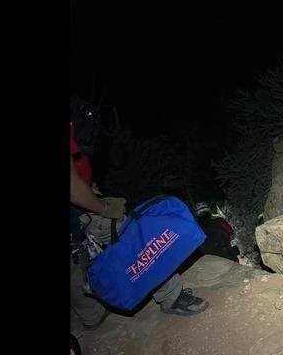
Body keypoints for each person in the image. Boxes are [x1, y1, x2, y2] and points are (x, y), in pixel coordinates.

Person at [70, 123, 208, 329]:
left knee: (74, 258)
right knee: (133, 238)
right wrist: (102, 207)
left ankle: (93, 314)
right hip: (80, 206)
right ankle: (172, 297)